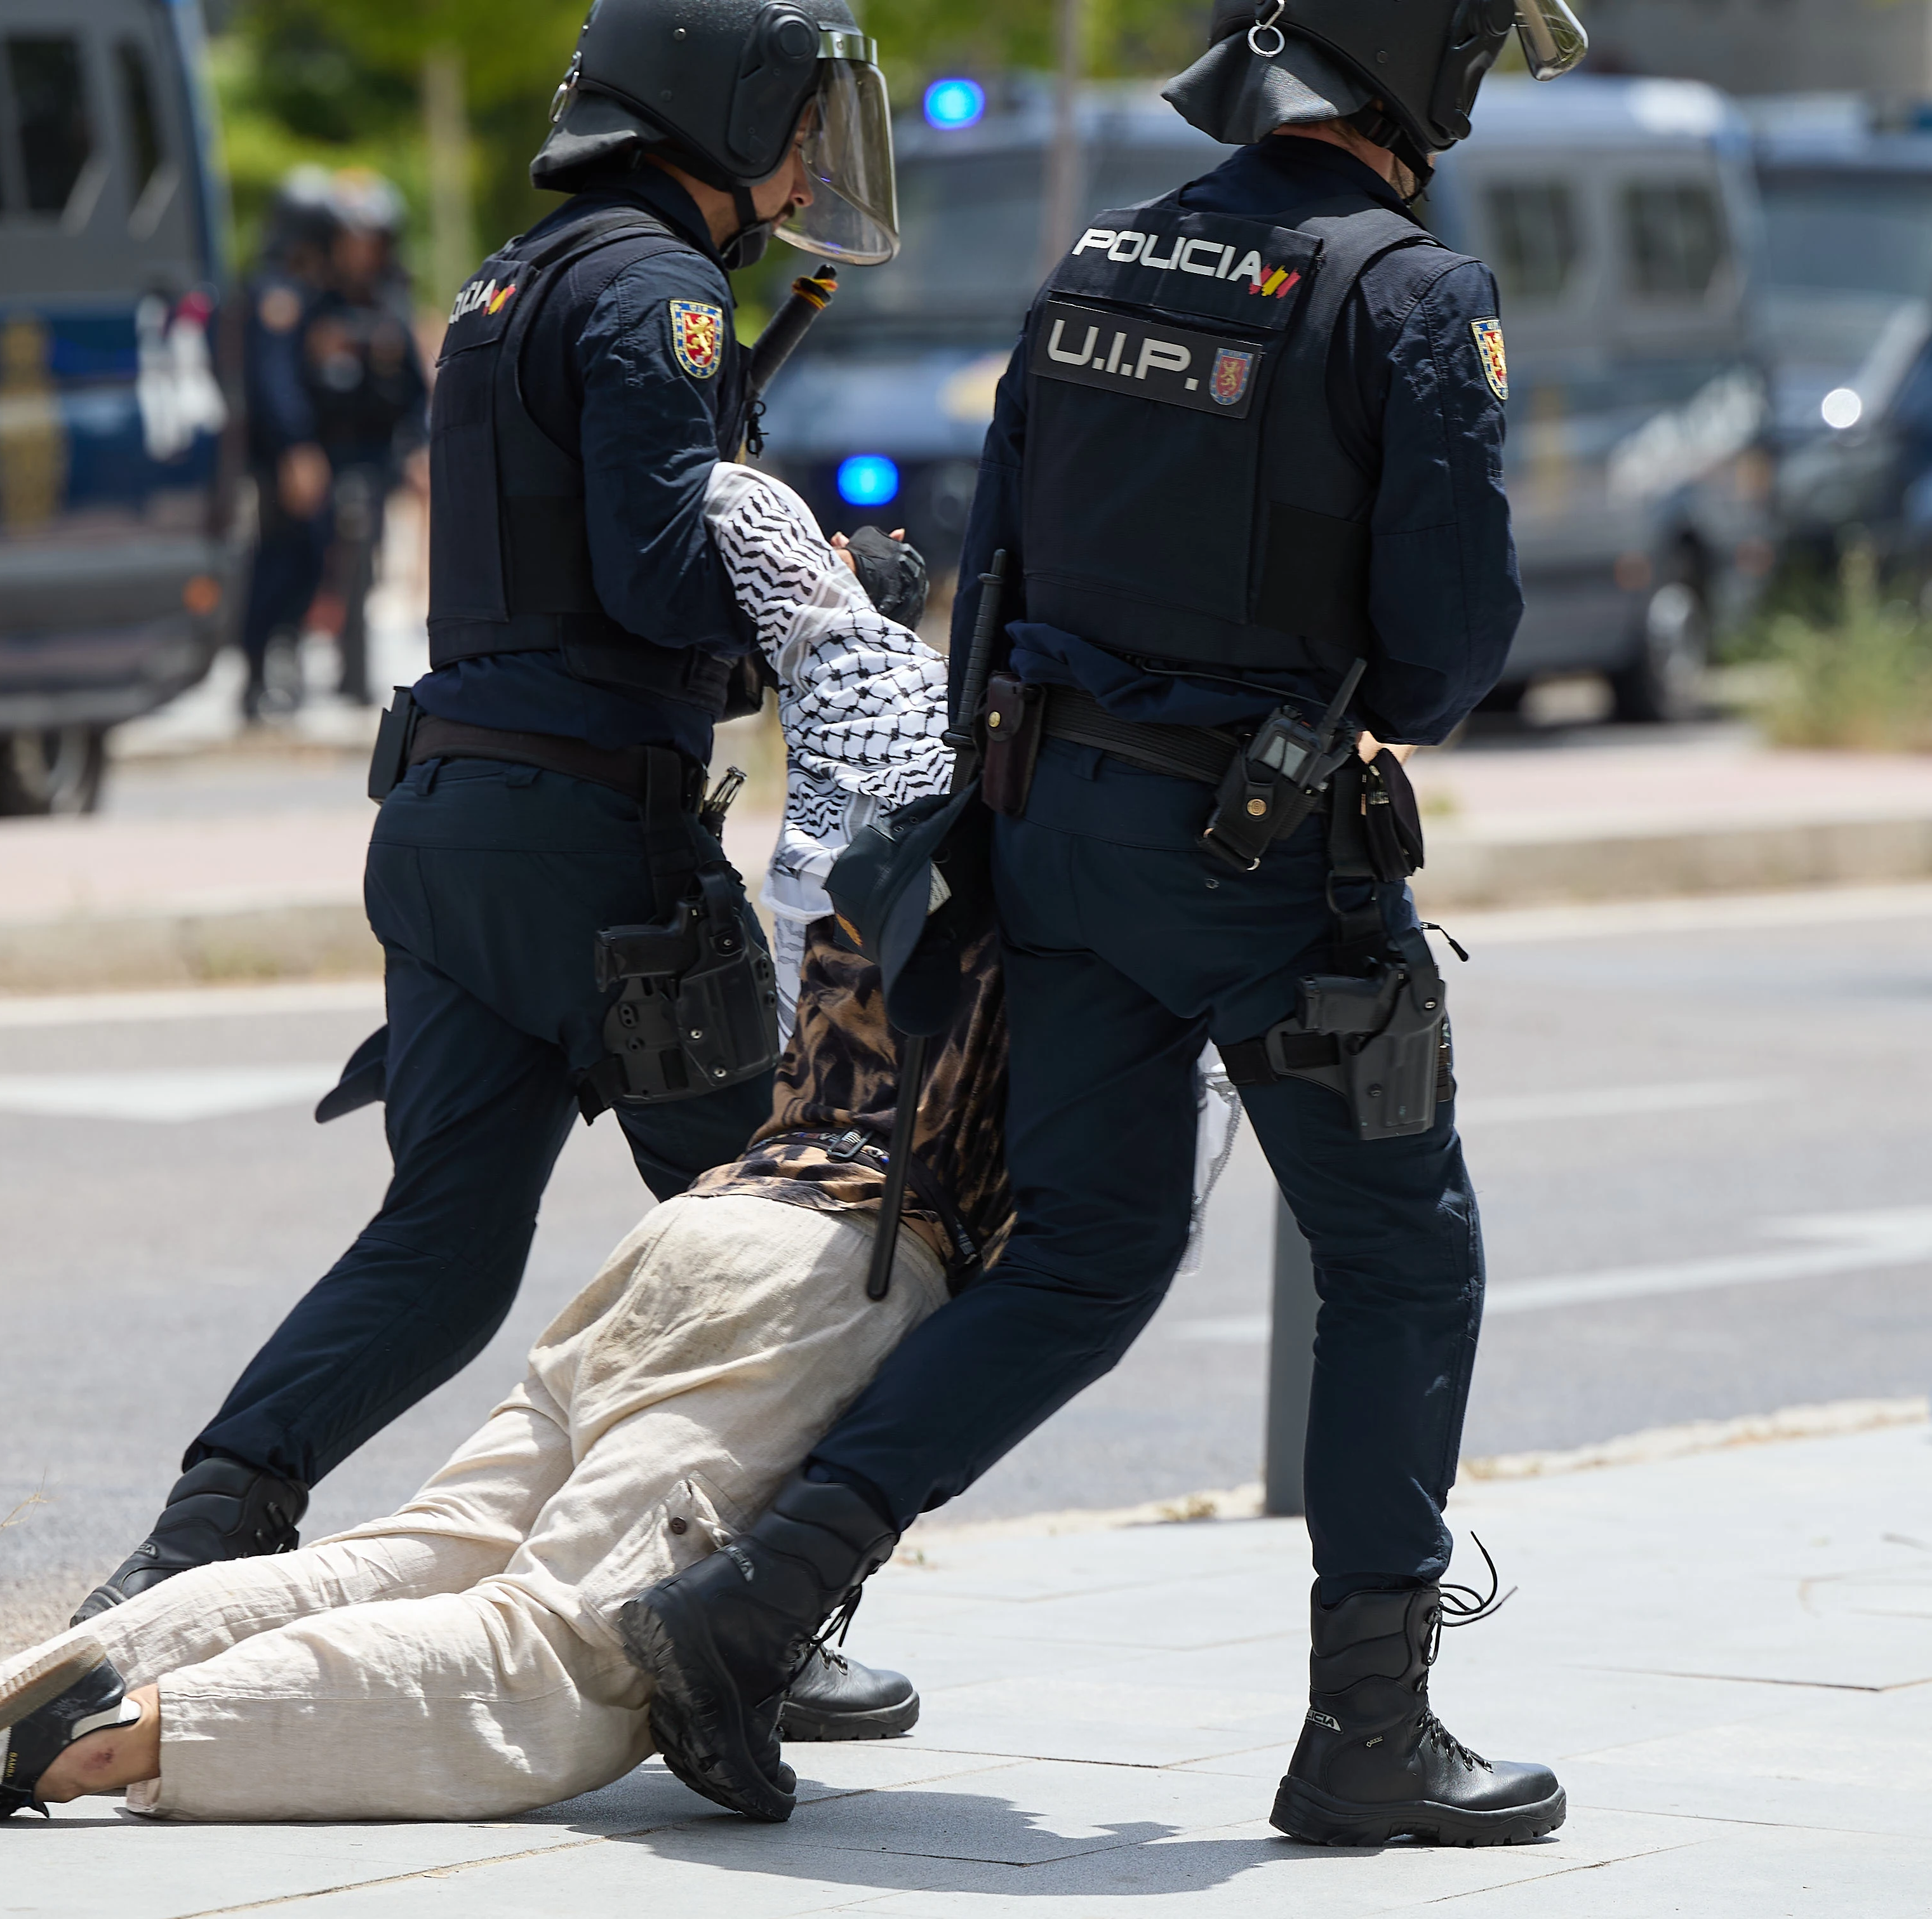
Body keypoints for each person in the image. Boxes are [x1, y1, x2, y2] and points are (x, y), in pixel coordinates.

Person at [615, 0, 1586, 1847]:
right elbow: (1450, 660)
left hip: (1048, 830)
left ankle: (741, 1608)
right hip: (1265, 855)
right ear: (1427, 76)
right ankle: (1369, 1725)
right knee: (1402, 1249)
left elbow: (996, 578)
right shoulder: (1407, 298)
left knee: (1084, 1254)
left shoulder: (1095, 262)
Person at [0, 468, 1018, 1826]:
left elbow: (732, 516)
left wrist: (827, 573)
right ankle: (80, 1745)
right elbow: (1092, 1243)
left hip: (697, 1227)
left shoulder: (872, 708)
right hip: (827, 1273)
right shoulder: (1146, 899)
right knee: (550, 1663)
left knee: (414, 1553)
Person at [70, 0, 910, 1748]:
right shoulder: (655, 291)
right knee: (787, 1236)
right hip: (599, 851)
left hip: (454, 826)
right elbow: (665, 573)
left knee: (443, 1246)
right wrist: (840, 572)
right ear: (716, 107)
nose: (811, 161)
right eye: (795, 120)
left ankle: (190, 1542)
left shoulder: (514, 276)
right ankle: (743, 1616)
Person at [305, 170, 429, 707]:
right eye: (350, 243)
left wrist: (415, 452)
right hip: (321, 451)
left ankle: (354, 676)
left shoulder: (392, 304)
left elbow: (415, 394)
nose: (359, 254)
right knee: (310, 562)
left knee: (363, 553)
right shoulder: (311, 304)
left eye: (368, 243)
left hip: (374, 455)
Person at [239, 170, 340, 720]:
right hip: (278, 456)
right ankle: (257, 675)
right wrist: (296, 447)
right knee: (280, 560)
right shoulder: (277, 292)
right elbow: (273, 379)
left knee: (302, 557)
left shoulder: (303, 291)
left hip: (294, 449)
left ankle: (276, 664)